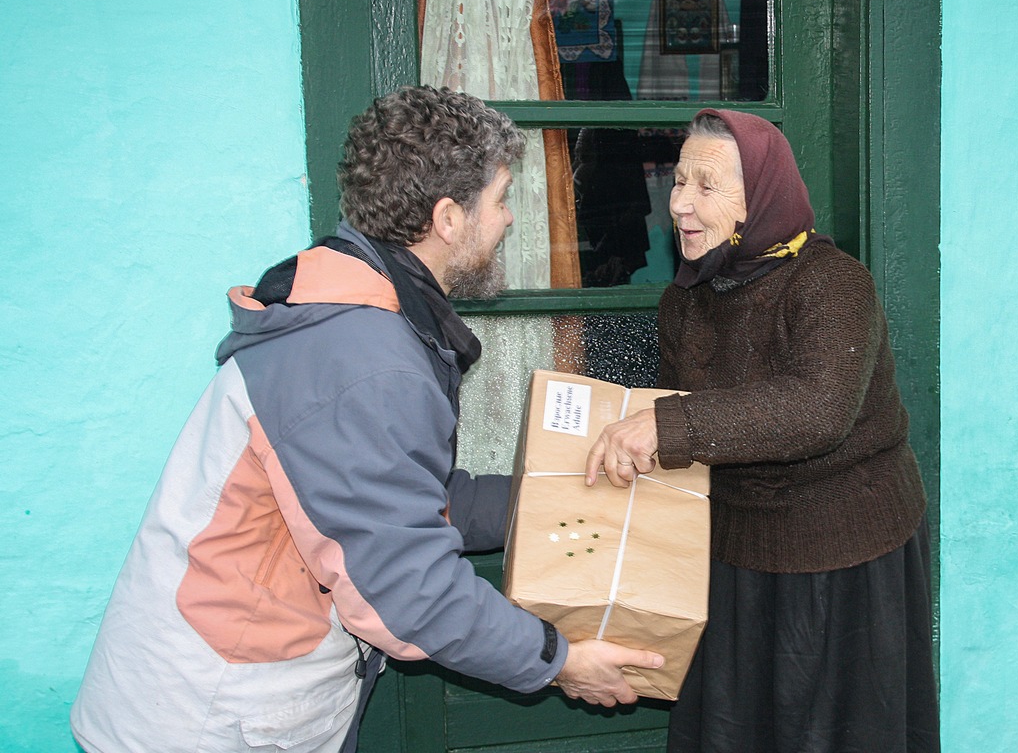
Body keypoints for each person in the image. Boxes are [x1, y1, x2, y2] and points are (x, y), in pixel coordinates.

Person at [70, 85, 663, 753]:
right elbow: (408, 589)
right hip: (220, 708)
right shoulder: (368, 361)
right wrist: (559, 659)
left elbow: (410, 502)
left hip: (230, 686)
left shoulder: (354, 315)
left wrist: (567, 490)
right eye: (500, 201)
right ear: (448, 217)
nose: (507, 221)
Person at [584, 109, 939, 752]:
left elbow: (819, 409)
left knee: (835, 732)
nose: (681, 204)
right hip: (737, 551)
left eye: (707, 186)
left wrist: (669, 426)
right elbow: (688, 441)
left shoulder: (832, 284)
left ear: (765, 194)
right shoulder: (685, 300)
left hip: (845, 555)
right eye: (677, 180)